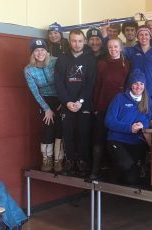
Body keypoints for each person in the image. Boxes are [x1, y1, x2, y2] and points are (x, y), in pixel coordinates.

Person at [55, 29, 96, 176]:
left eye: (80, 41)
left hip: (83, 104)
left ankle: (82, 161)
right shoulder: (62, 59)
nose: (77, 44)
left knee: (83, 133)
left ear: (84, 41)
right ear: (69, 41)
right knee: (68, 133)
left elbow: (90, 83)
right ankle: (70, 160)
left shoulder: (90, 59)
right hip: (67, 104)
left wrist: (80, 101)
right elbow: (59, 84)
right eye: (74, 40)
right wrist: (67, 102)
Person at [91, 38, 131, 179]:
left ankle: (117, 172)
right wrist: (95, 106)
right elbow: (97, 85)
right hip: (103, 105)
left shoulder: (127, 64)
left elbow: (128, 87)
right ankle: (95, 170)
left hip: (120, 107)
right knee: (99, 138)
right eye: (110, 47)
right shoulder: (101, 64)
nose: (113, 49)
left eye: (115, 47)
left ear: (120, 48)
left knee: (116, 139)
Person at [24, 38, 64, 173]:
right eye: (36, 50)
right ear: (33, 53)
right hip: (44, 100)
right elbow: (34, 91)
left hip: (60, 98)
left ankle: (58, 160)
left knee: (60, 128)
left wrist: (63, 101)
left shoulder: (56, 61)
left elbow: (64, 82)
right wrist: (46, 109)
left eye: (42, 50)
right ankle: (46, 159)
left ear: (47, 51)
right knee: (48, 127)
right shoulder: (29, 70)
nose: (40, 53)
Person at [105, 70, 151, 185]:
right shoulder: (119, 98)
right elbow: (109, 121)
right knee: (126, 164)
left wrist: (142, 125)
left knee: (131, 180)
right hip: (116, 140)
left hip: (135, 142)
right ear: (131, 85)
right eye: (135, 83)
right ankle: (112, 172)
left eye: (141, 84)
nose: (138, 86)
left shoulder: (147, 100)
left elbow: (148, 119)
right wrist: (129, 128)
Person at [125, 25, 152, 98]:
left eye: (146, 34)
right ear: (137, 36)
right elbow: (115, 49)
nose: (144, 37)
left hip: (150, 90)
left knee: (148, 109)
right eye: (141, 35)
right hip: (133, 90)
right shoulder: (130, 51)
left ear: (150, 36)